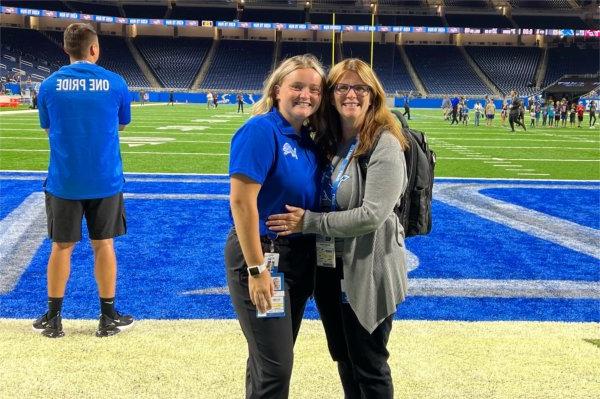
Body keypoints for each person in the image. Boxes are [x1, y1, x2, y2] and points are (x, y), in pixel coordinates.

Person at [267, 58, 408, 398]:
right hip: (330, 269)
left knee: (369, 363)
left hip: (367, 268)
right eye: (342, 87)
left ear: (373, 96)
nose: (351, 95)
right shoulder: (331, 142)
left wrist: (310, 222)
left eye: (360, 88)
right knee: (344, 357)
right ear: (331, 96)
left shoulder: (384, 142)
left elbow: (372, 214)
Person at [225, 54, 326, 399]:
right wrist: (256, 269)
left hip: (297, 260)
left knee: (269, 361)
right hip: (264, 257)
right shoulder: (260, 130)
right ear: (277, 89)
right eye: (297, 86)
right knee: (276, 368)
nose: (306, 94)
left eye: (314, 89)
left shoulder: (308, 142)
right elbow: (241, 202)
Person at [33, 23, 133, 338]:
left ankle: (54, 318)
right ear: (94, 48)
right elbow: (122, 125)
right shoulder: (116, 83)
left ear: (66, 49)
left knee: (61, 247)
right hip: (105, 179)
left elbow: (47, 128)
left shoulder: (48, 85)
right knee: (103, 245)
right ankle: (106, 317)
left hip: (64, 181)